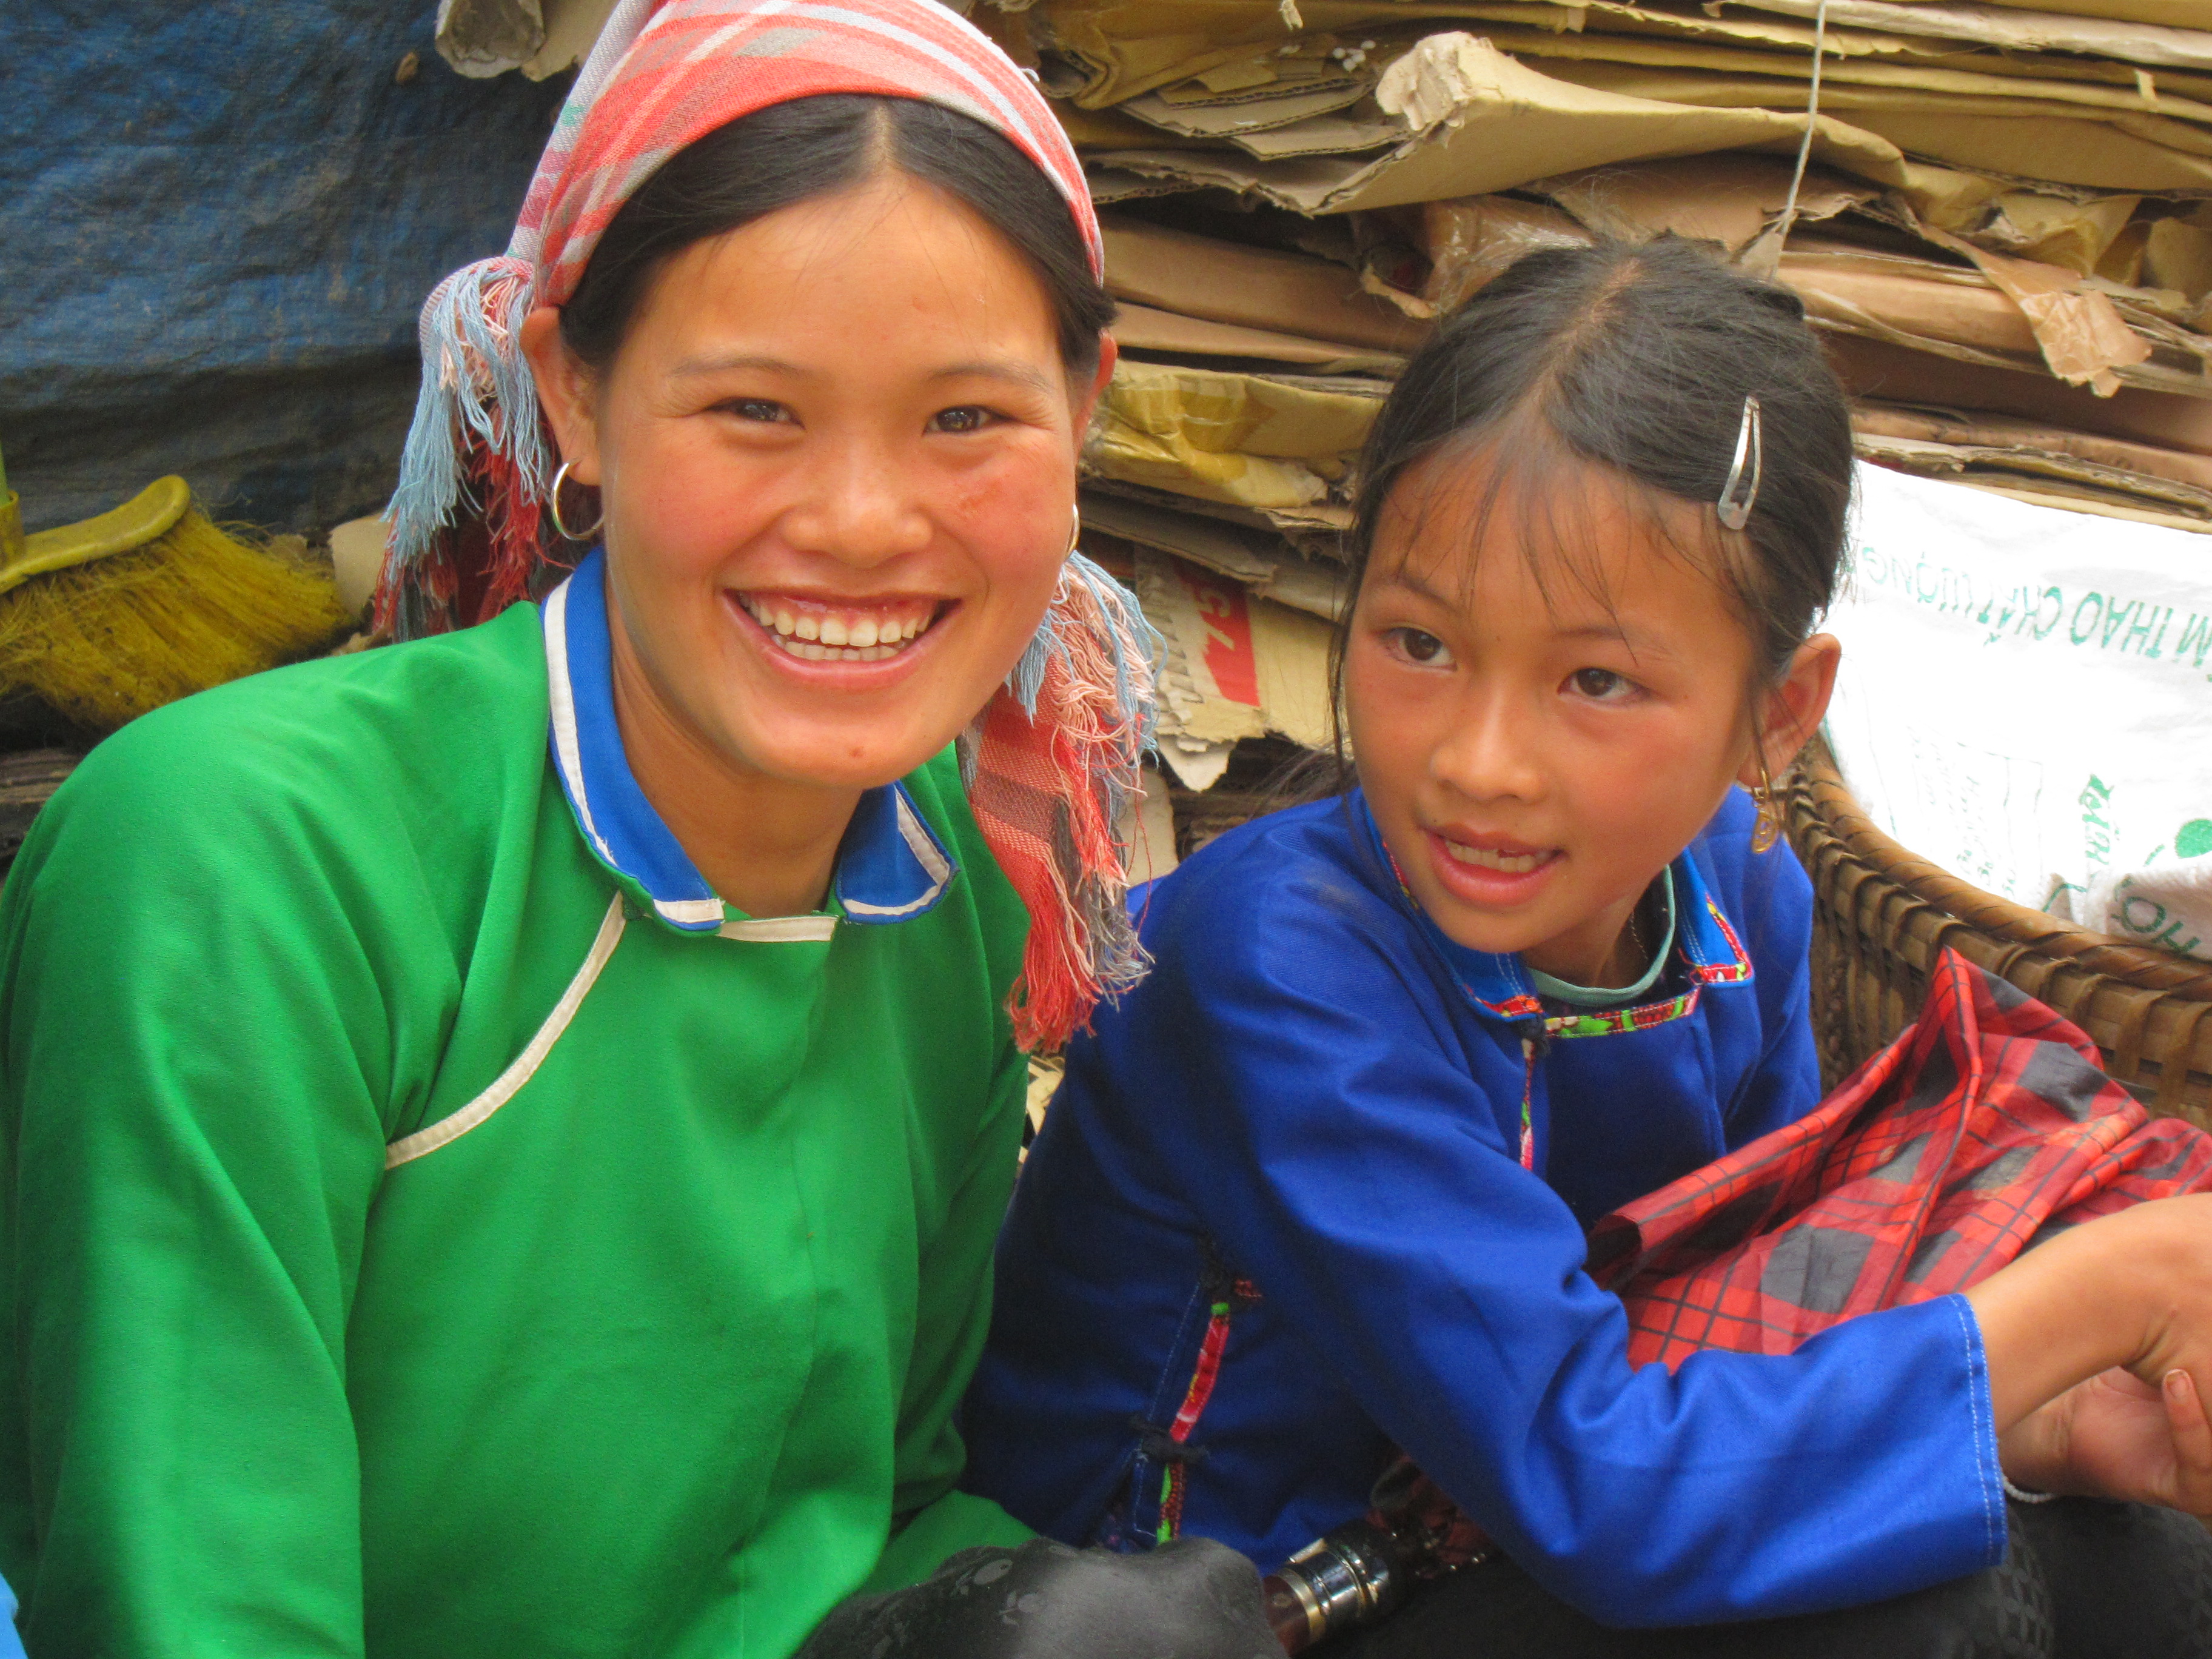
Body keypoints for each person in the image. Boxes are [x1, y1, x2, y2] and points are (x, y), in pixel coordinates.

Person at [0, 4, 1282, 1656]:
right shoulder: (246, 864)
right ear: (575, 394)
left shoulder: (947, 875)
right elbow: (194, 1612)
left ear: (1085, 408)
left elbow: (868, 1512)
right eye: (754, 410)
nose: (863, 524)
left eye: (966, 419)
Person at [961, 238, 2212, 1657]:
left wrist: (2046, 1425)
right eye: (1420, 644)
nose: (1482, 763)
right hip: (1217, 1602)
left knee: (2134, 1557)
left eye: (1598, 681)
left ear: (1780, 714)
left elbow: (1769, 1308)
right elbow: (1605, 1485)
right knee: (1933, 1618)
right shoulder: (1279, 966)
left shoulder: (1745, 906)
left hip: (1499, 1523)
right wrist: (2117, 1289)